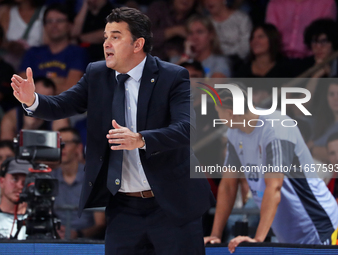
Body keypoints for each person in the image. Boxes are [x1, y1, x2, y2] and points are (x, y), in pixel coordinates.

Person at [11, 7, 213, 255]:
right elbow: (62, 104)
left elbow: (187, 129)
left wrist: (140, 139)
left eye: (115, 36)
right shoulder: (97, 74)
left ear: (137, 44)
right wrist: (32, 100)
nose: (106, 43)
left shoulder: (172, 76)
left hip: (171, 204)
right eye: (106, 36)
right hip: (124, 207)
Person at [204, 85, 338, 252]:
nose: (218, 116)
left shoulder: (276, 128)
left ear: (230, 113)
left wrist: (257, 240)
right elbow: (228, 185)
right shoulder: (234, 132)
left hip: (316, 223)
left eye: (218, 112)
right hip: (286, 228)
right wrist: (215, 236)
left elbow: (274, 186)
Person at [18, 4, 88, 94]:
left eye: (59, 21)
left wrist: (38, 85)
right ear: (44, 26)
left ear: (70, 25)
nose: (54, 25)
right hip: (30, 106)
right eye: (49, 21)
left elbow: (71, 90)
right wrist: (57, 81)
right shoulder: (32, 52)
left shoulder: (78, 53)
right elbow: (22, 89)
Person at [52, 127, 105, 239]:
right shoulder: (50, 178)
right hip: (55, 238)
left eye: (66, 143)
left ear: (78, 148)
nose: (62, 147)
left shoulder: (93, 177)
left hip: (88, 242)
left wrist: (77, 234)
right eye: (58, 143)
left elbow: (100, 223)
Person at [1, 77, 69, 140]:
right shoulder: (12, 117)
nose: (40, 103)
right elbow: (6, 149)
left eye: (46, 99)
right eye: (37, 97)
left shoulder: (59, 117)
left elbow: (64, 149)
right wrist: (27, 128)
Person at [266, 0, 337, 59]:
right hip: (279, 58)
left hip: (312, 58)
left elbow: (327, 35)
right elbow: (270, 35)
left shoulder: (326, 2)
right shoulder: (276, 2)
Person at [0, 0, 46, 70]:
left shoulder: (46, 12)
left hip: (37, 65)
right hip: (9, 67)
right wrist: (10, 45)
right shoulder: (5, 11)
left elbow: (52, 44)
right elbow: (1, 40)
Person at [0, 157, 32, 240]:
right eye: (14, 179)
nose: (20, 185)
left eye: (26, 181)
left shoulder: (39, 222)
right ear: (1, 181)